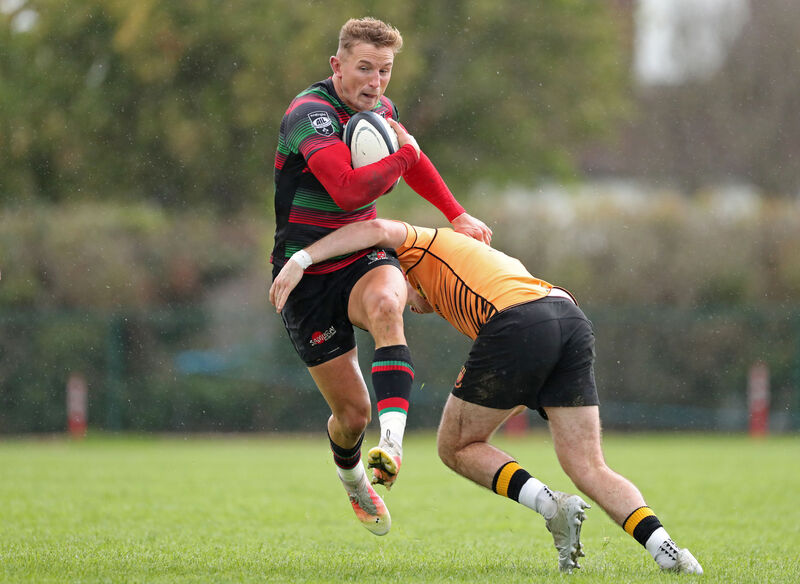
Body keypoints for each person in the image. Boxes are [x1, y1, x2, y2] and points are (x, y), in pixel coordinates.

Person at [270, 218, 704, 575]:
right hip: (567, 316)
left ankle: (551, 507)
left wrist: (303, 258)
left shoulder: (418, 246)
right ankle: (670, 552)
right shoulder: (471, 267)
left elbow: (376, 226)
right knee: (588, 465)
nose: (407, 305)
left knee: (454, 446)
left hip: (518, 322)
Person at [270, 17, 492, 536]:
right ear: (338, 65)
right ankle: (352, 482)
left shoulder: (382, 112)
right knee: (351, 415)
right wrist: (404, 153)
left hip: (361, 252)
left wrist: (455, 213)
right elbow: (348, 190)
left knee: (389, 306)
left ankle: (391, 442)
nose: (375, 82)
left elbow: (409, 167)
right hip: (304, 274)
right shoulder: (309, 115)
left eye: (385, 70)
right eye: (364, 68)